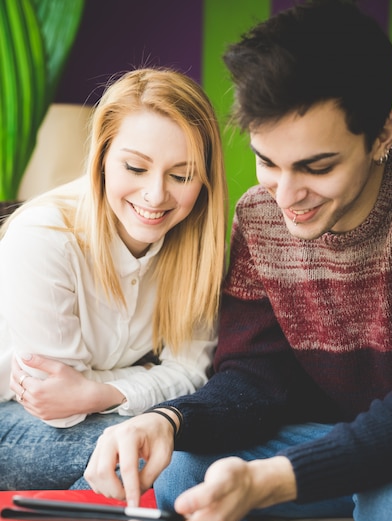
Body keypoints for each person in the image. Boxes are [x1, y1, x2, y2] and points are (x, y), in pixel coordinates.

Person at [84, 2, 392, 521]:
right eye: (268, 162)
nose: (287, 197)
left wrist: (267, 480)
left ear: (381, 134)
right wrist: (168, 420)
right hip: (331, 441)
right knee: (182, 473)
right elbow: (253, 378)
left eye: (317, 168)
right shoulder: (259, 218)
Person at [0, 67, 227, 489]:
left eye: (181, 175)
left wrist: (99, 392)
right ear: (102, 158)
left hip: (101, 415)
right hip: (12, 418)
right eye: (135, 168)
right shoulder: (45, 237)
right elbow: (59, 405)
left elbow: (194, 373)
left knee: (178, 458)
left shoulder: (199, 249)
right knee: (173, 463)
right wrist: (145, 374)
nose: (156, 195)